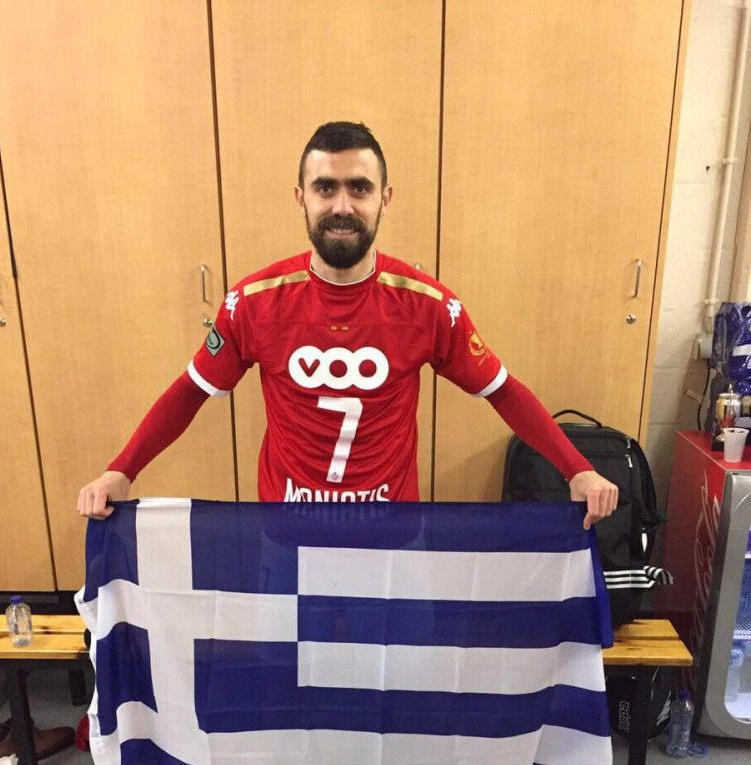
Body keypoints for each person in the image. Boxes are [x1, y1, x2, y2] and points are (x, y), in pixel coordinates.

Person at [78, 121, 617, 528]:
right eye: (325, 188)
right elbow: (191, 391)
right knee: (294, 650)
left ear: (385, 198)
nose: (342, 205)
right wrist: (121, 470)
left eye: (359, 188)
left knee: (381, 649)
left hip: (389, 530)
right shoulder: (254, 302)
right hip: (286, 530)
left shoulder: (427, 305)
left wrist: (577, 469)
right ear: (301, 198)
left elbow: (502, 390)